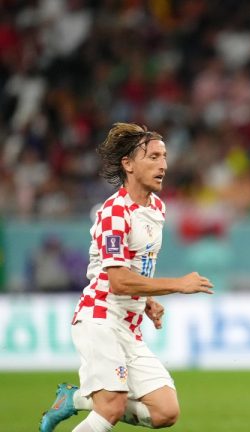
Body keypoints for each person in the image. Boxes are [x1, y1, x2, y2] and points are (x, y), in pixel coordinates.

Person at [39, 123, 214, 432]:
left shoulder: (157, 208)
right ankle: (87, 402)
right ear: (129, 164)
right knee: (111, 408)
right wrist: (177, 285)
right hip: (101, 317)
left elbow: (135, 265)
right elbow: (118, 280)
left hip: (129, 324)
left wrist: (146, 299)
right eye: (154, 157)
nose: (164, 164)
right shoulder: (113, 213)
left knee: (165, 412)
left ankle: (75, 400)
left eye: (165, 156)